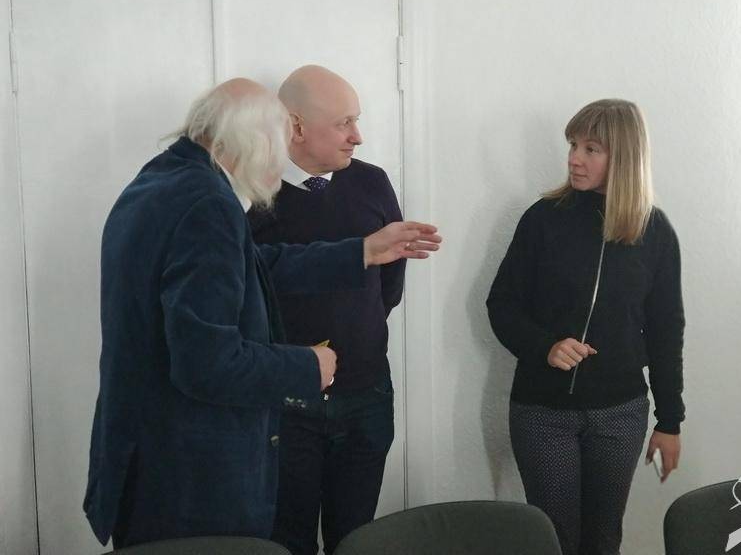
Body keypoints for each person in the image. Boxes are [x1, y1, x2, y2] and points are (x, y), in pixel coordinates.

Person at [83, 78, 441, 548]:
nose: (279, 163)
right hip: (187, 471)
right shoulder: (208, 206)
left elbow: (253, 267)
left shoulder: (163, 179)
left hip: (148, 454)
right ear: (253, 143)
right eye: (277, 146)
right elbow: (207, 364)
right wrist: (306, 366)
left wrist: (359, 252)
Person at [486, 99, 685, 555]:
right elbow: (502, 304)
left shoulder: (654, 231)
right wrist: (545, 346)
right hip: (543, 412)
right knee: (556, 540)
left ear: (624, 156)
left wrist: (670, 421)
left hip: (621, 414)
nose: (575, 158)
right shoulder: (542, 219)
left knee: (603, 538)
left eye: (591, 149)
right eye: (573, 145)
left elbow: (666, 332)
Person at [247, 65, 403, 555]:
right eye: (343, 123)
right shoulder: (252, 192)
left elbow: (389, 285)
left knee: (356, 539)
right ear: (296, 126)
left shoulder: (372, 182)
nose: (358, 136)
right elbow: (244, 291)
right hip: (286, 405)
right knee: (285, 540)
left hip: (366, 395)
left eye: (356, 120)